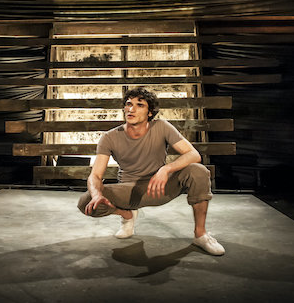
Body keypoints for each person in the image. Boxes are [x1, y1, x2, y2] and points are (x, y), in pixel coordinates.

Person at [77, 87, 225, 256]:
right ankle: (126, 215)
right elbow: (95, 175)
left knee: (198, 171)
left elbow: (193, 154)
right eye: (128, 104)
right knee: (87, 201)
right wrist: (97, 194)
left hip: (160, 187)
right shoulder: (109, 137)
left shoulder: (161, 127)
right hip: (130, 192)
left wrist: (167, 168)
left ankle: (201, 235)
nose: (131, 109)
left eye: (139, 105)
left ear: (150, 112)